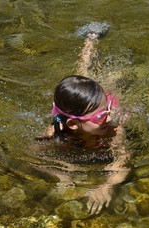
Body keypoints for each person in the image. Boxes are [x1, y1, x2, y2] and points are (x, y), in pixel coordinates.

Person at [36, 23, 130, 215]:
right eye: (101, 116)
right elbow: (35, 157)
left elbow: (122, 161)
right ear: (72, 124)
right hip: (82, 107)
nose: (110, 117)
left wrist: (107, 186)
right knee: (83, 73)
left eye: (107, 111)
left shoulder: (114, 131)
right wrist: (62, 175)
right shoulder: (55, 132)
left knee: (103, 79)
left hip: (95, 102)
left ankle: (92, 40)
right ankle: (89, 41)